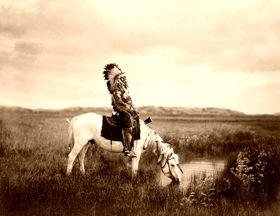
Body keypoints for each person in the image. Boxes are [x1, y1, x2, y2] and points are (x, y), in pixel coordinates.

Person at [103, 63, 138, 158]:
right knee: (128, 124)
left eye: (124, 78)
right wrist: (129, 109)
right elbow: (118, 102)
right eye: (122, 78)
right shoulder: (116, 90)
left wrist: (133, 109)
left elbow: (129, 101)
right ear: (118, 80)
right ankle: (128, 149)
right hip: (120, 111)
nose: (125, 79)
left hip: (126, 110)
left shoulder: (124, 90)